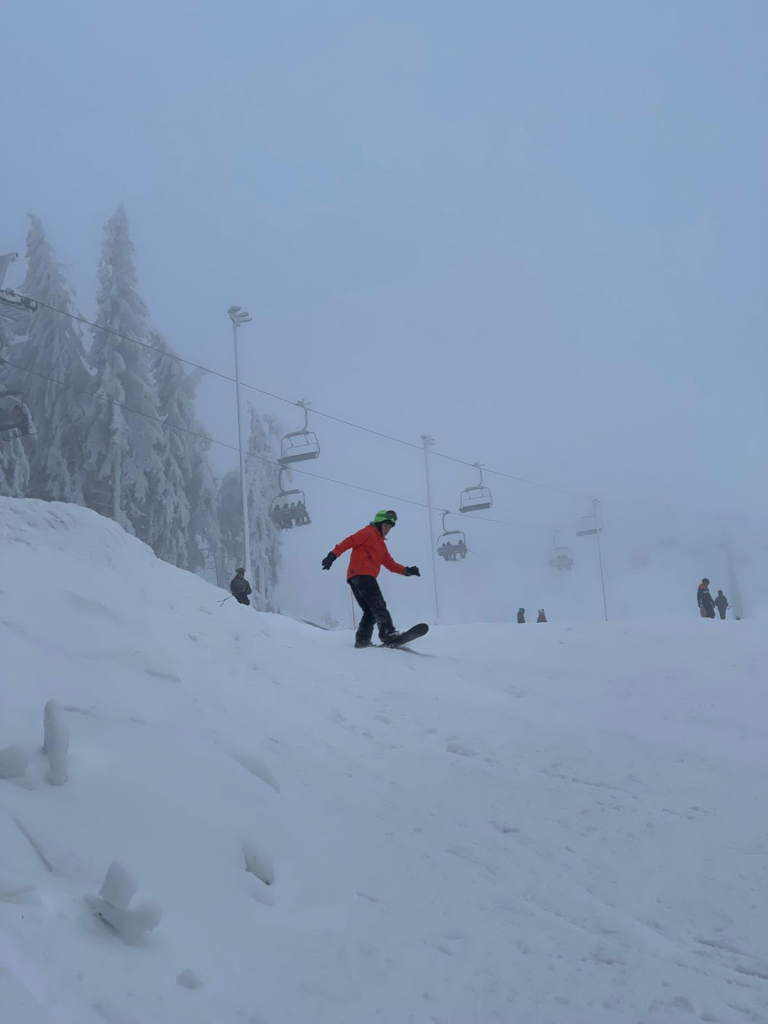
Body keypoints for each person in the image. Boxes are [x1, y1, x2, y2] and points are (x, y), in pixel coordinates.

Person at [321, 509, 420, 648]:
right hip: (363, 575)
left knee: (370, 611)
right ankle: (387, 632)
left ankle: (362, 641)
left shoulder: (381, 545)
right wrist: (333, 555)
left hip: (355, 578)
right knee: (379, 605)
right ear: (379, 523)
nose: (388, 529)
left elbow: (391, 564)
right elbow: (349, 541)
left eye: (390, 527)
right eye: (386, 526)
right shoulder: (368, 533)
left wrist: (407, 571)